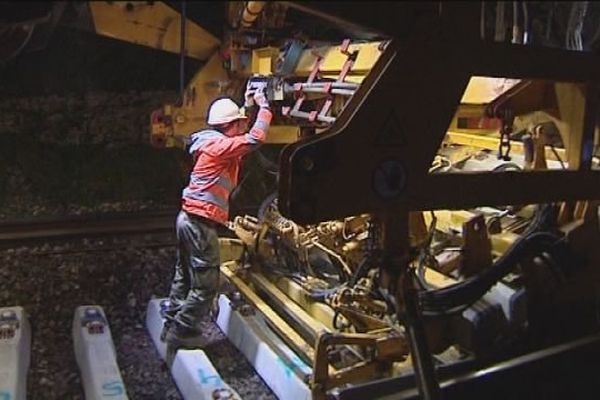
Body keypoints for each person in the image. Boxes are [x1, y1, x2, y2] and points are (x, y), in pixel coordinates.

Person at [160, 86, 272, 355]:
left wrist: (246, 106)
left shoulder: (211, 141)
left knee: (184, 276)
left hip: (187, 218)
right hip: (200, 224)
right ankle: (183, 331)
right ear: (229, 125)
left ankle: (170, 324)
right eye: (239, 123)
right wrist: (264, 105)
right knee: (206, 283)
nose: (243, 126)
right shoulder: (220, 147)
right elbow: (255, 138)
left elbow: (240, 133)